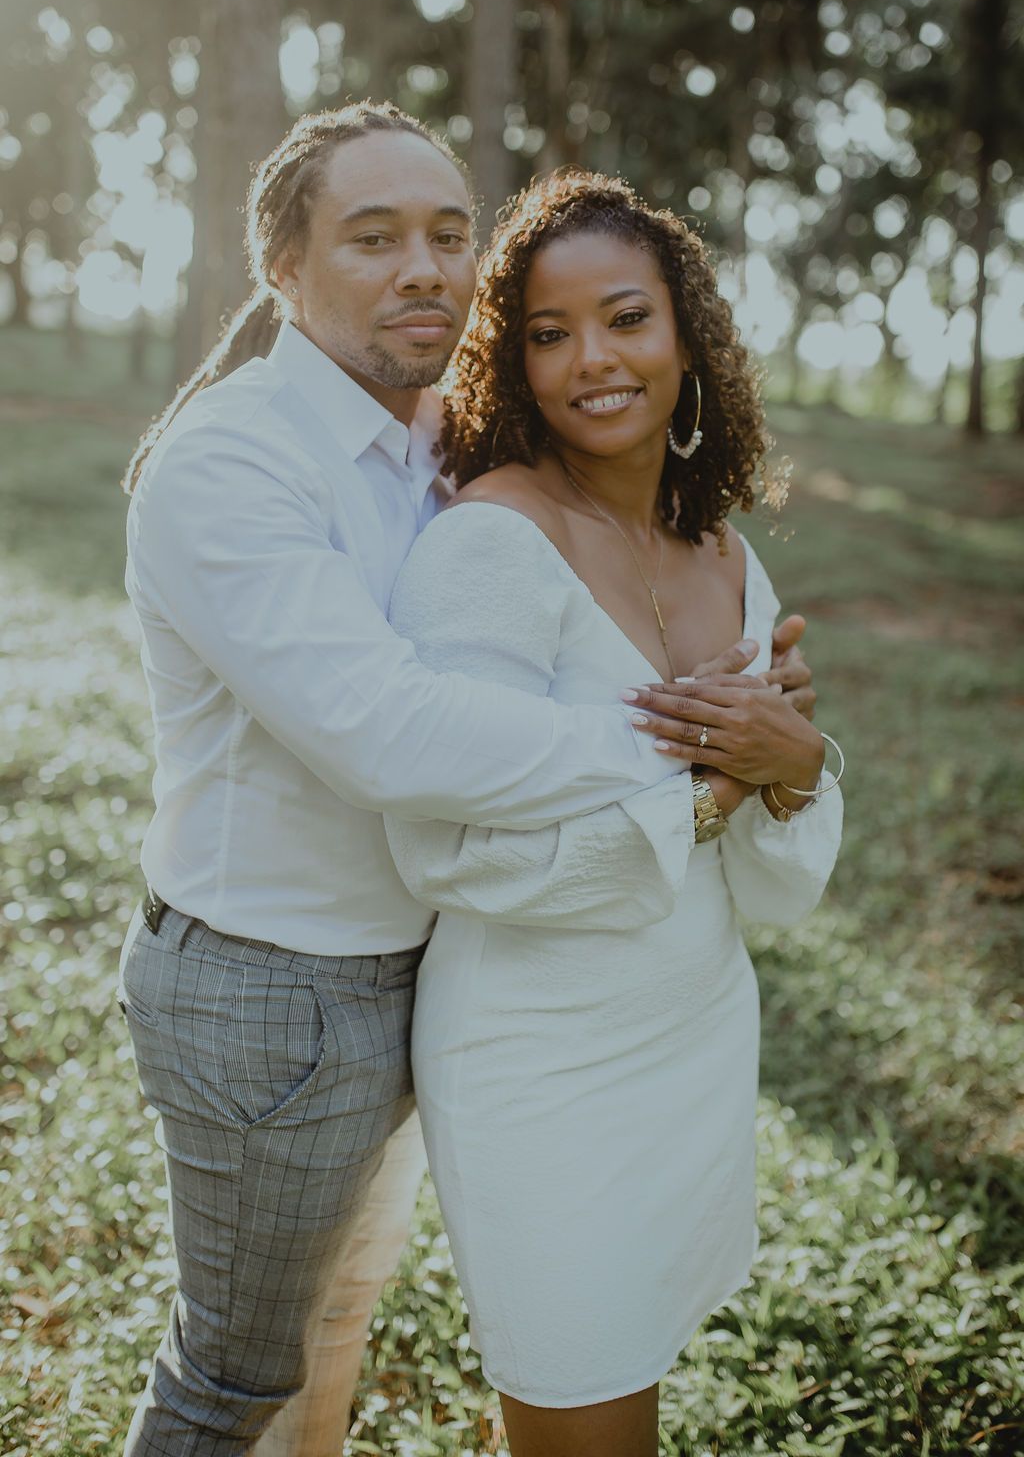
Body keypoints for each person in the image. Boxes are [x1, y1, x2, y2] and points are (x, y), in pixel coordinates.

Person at [116, 104, 815, 1457]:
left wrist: (761, 722)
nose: (424, 267)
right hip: (275, 979)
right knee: (237, 1379)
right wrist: (702, 751)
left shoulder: (443, 436)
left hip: (421, 962)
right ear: (284, 269)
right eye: (372, 239)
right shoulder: (235, 460)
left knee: (334, 1332)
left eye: (448, 234)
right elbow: (389, 735)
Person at [383, 168, 844, 1457]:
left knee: (617, 1388)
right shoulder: (488, 546)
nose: (591, 358)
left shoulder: (724, 553)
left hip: (690, 1028)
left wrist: (794, 762)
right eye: (547, 330)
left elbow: (776, 844)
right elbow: (445, 842)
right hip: (539, 1059)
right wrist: (713, 793)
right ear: (512, 360)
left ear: (686, 335)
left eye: (626, 318)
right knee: (581, 1400)